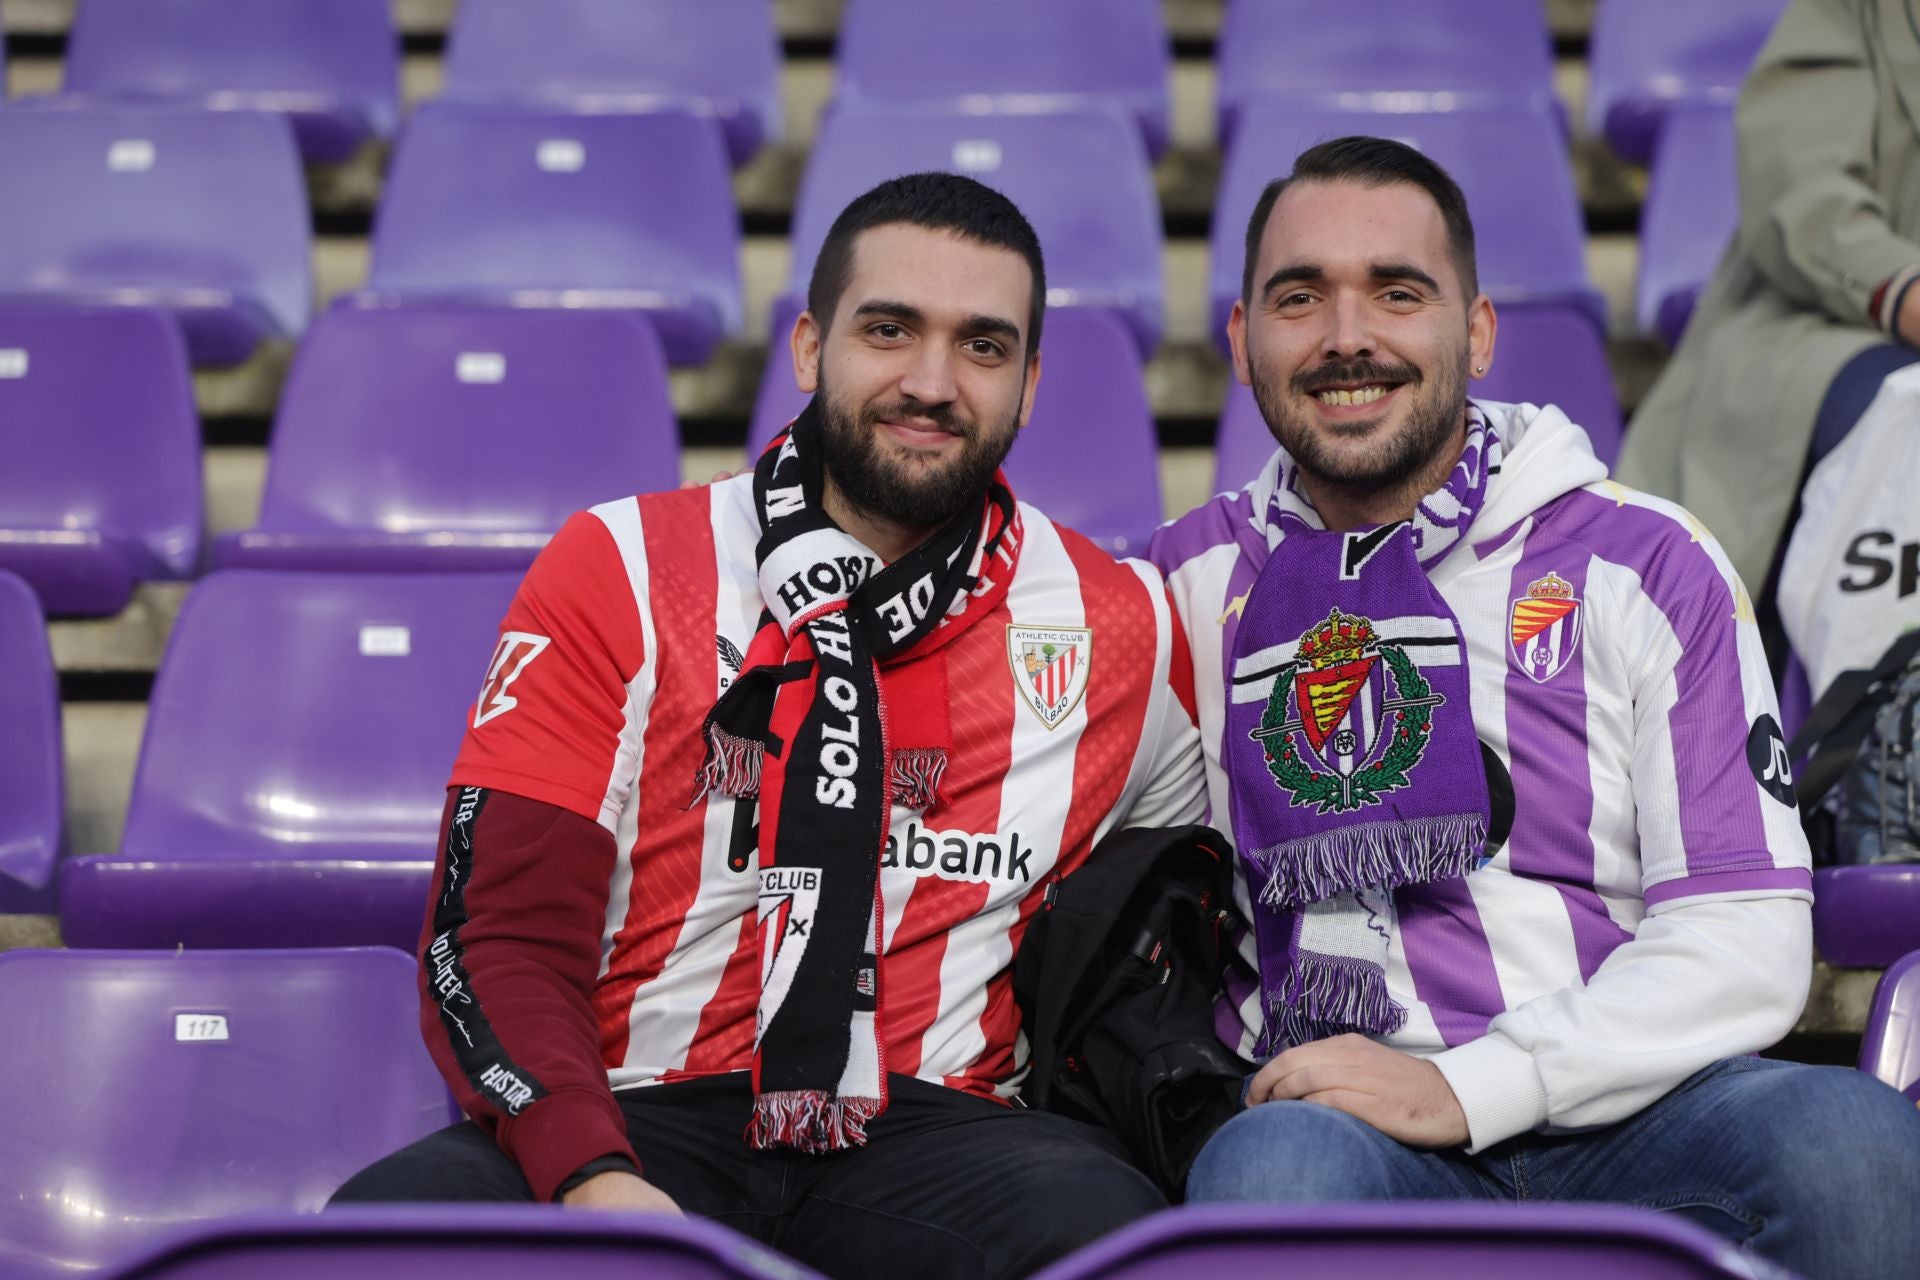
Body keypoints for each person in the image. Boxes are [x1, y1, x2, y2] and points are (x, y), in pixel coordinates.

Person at [332, 173, 1207, 1280]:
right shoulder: (623, 567)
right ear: (807, 347)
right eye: (889, 330)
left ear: (1029, 386)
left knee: (1117, 1236)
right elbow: (493, 934)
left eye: (983, 347)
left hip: (946, 1135)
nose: (932, 382)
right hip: (643, 1113)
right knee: (380, 1234)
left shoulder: (1118, 622)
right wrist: (589, 1173)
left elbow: (1189, 901)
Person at [1149, 136, 1920, 1279]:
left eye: (1398, 293)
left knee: (1855, 1147)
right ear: (1240, 339)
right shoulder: (1179, 587)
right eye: (1298, 296)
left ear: (1477, 332)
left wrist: (1467, 1084)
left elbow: (1747, 939)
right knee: (1270, 1179)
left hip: (1646, 1109)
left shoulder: (1646, 558)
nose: (1347, 336)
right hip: (1339, 1128)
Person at [1619, 0, 1920, 613]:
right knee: (1901, 411)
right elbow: (1806, 196)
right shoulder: (1861, 9)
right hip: (1821, 328)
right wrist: (1906, 290)